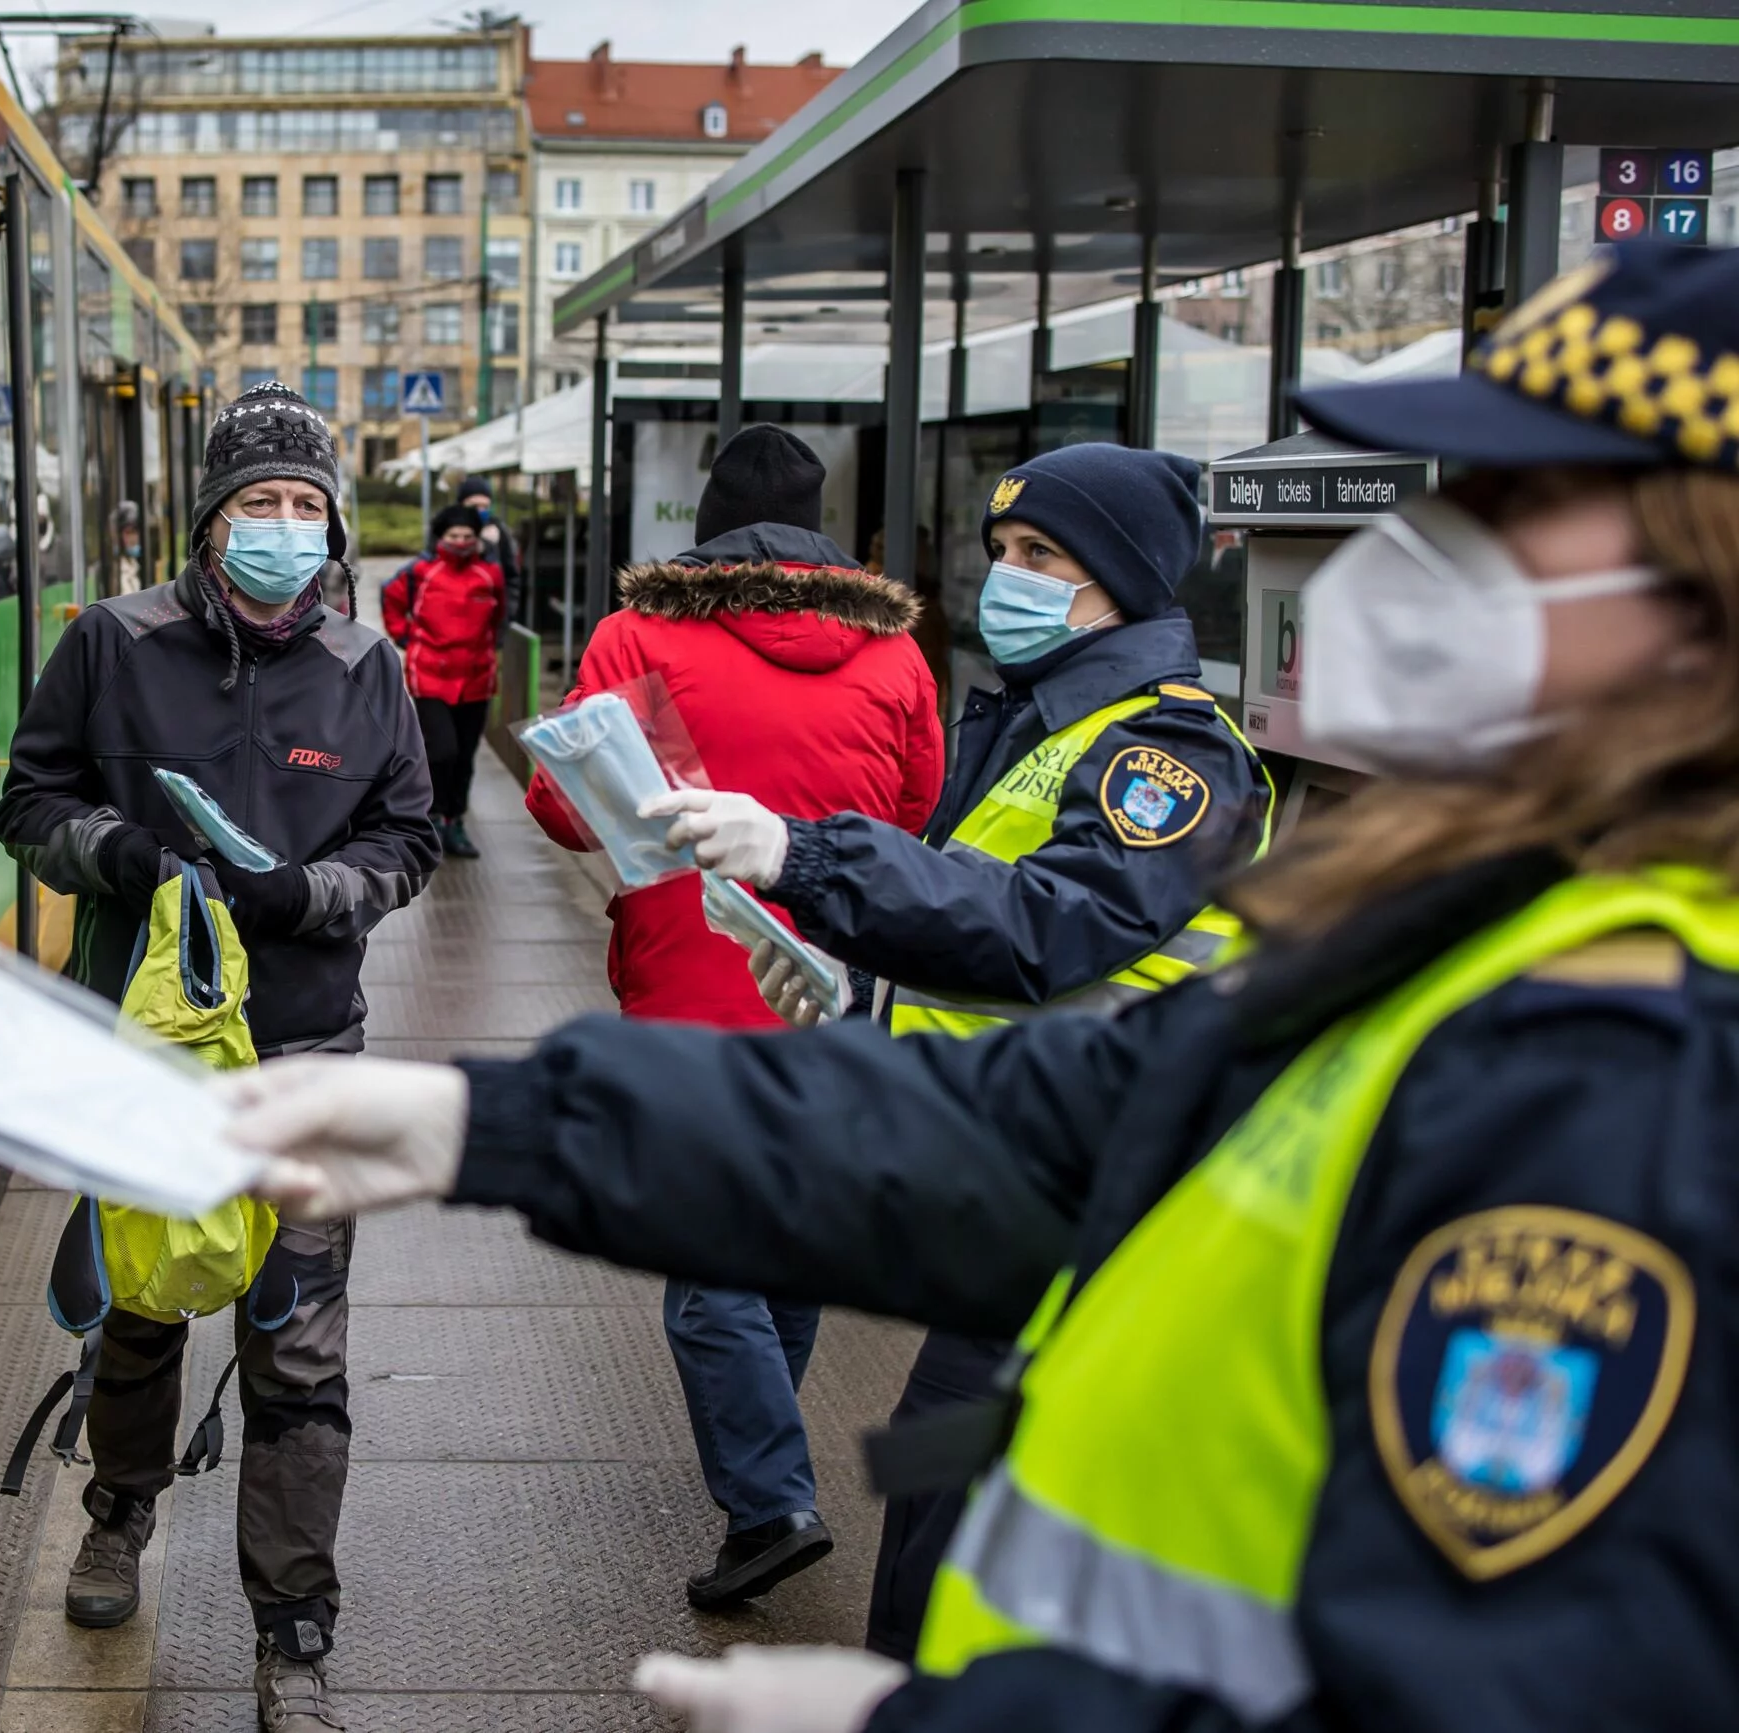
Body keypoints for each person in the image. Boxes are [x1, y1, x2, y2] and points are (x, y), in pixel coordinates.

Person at [223, 241, 1739, 1733]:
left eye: (1519, 511)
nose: (1434, 560)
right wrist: (487, 1125)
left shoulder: (1642, 1069)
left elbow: (1512, 1678)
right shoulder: (1493, 919)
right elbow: (1045, 1122)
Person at [651, 440, 1275, 1653]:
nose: (1009, 577)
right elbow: (978, 931)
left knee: (967, 1541)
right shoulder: (1040, 723)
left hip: (1111, 1217)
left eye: (1043, 554)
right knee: (943, 1522)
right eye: (1001, 552)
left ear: (1125, 578)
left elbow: (1056, 926)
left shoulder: (1169, 755)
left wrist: (805, 853)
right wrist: (855, 991)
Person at [0, 379, 438, 1733]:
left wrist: (313, 895)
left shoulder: (374, 673)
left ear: (335, 532)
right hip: (147, 1047)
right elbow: (30, 800)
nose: (284, 527)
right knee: (144, 1301)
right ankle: (118, 1509)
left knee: (298, 1354)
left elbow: (409, 840)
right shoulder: (112, 644)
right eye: (260, 502)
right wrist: (116, 850)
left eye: (307, 507)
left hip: (306, 1052)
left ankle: (292, 1635)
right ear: (209, 519)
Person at [528, 423, 942, 1610]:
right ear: (825, 525)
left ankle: (768, 1499)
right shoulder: (894, 651)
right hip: (832, 978)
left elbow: (566, 804)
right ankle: (767, 1464)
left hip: (689, 972)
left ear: (704, 519)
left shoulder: (637, 634)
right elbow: (912, 815)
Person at [382, 503, 506, 858]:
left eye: (468, 536)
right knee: (441, 751)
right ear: (441, 537)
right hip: (431, 675)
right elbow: (391, 601)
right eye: (454, 536)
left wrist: (489, 648)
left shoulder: (489, 575)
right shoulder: (421, 572)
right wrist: (405, 636)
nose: (461, 542)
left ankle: (456, 821)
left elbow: (499, 618)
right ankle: (432, 817)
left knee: (465, 756)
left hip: (476, 678)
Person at [455, 472, 525, 631]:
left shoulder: (499, 532)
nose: (480, 511)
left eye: (485, 506)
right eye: (474, 506)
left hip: (489, 626)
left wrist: (506, 615)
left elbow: (511, 576)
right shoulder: (446, 531)